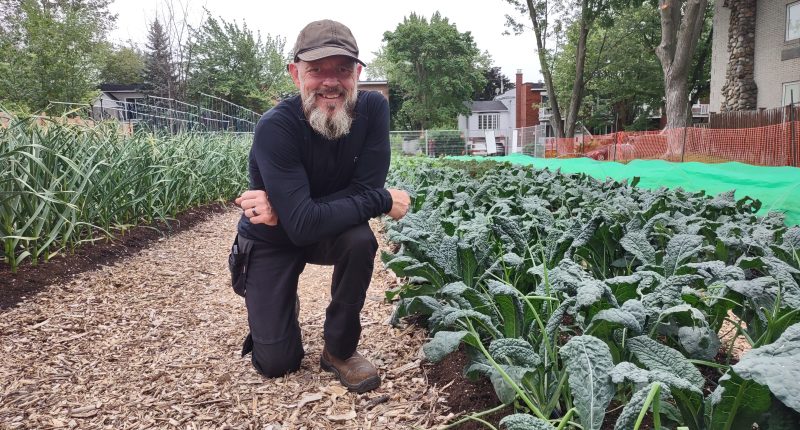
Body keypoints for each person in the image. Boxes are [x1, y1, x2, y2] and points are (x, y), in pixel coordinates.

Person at [232, 19, 410, 394]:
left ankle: (339, 350)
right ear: (295, 73)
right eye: (316, 70)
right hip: (270, 236)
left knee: (360, 239)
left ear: (357, 73)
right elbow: (354, 201)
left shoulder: (373, 110)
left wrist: (292, 207)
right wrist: (380, 199)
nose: (330, 81)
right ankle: (276, 305)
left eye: (342, 69)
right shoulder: (275, 126)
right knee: (276, 364)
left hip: (321, 228)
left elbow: (346, 197)